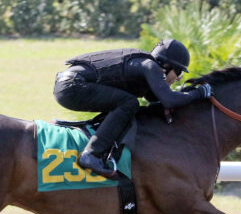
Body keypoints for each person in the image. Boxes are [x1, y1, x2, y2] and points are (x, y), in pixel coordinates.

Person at [53, 39, 212, 179]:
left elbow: (155, 98)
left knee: (127, 102)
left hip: (68, 84)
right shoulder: (149, 66)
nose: (178, 78)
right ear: (165, 65)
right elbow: (169, 100)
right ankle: (92, 154)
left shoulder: (145, 65)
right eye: (178, 72)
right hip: (72, 87)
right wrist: (200, 93)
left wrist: (182, 96)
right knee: (129, 103)